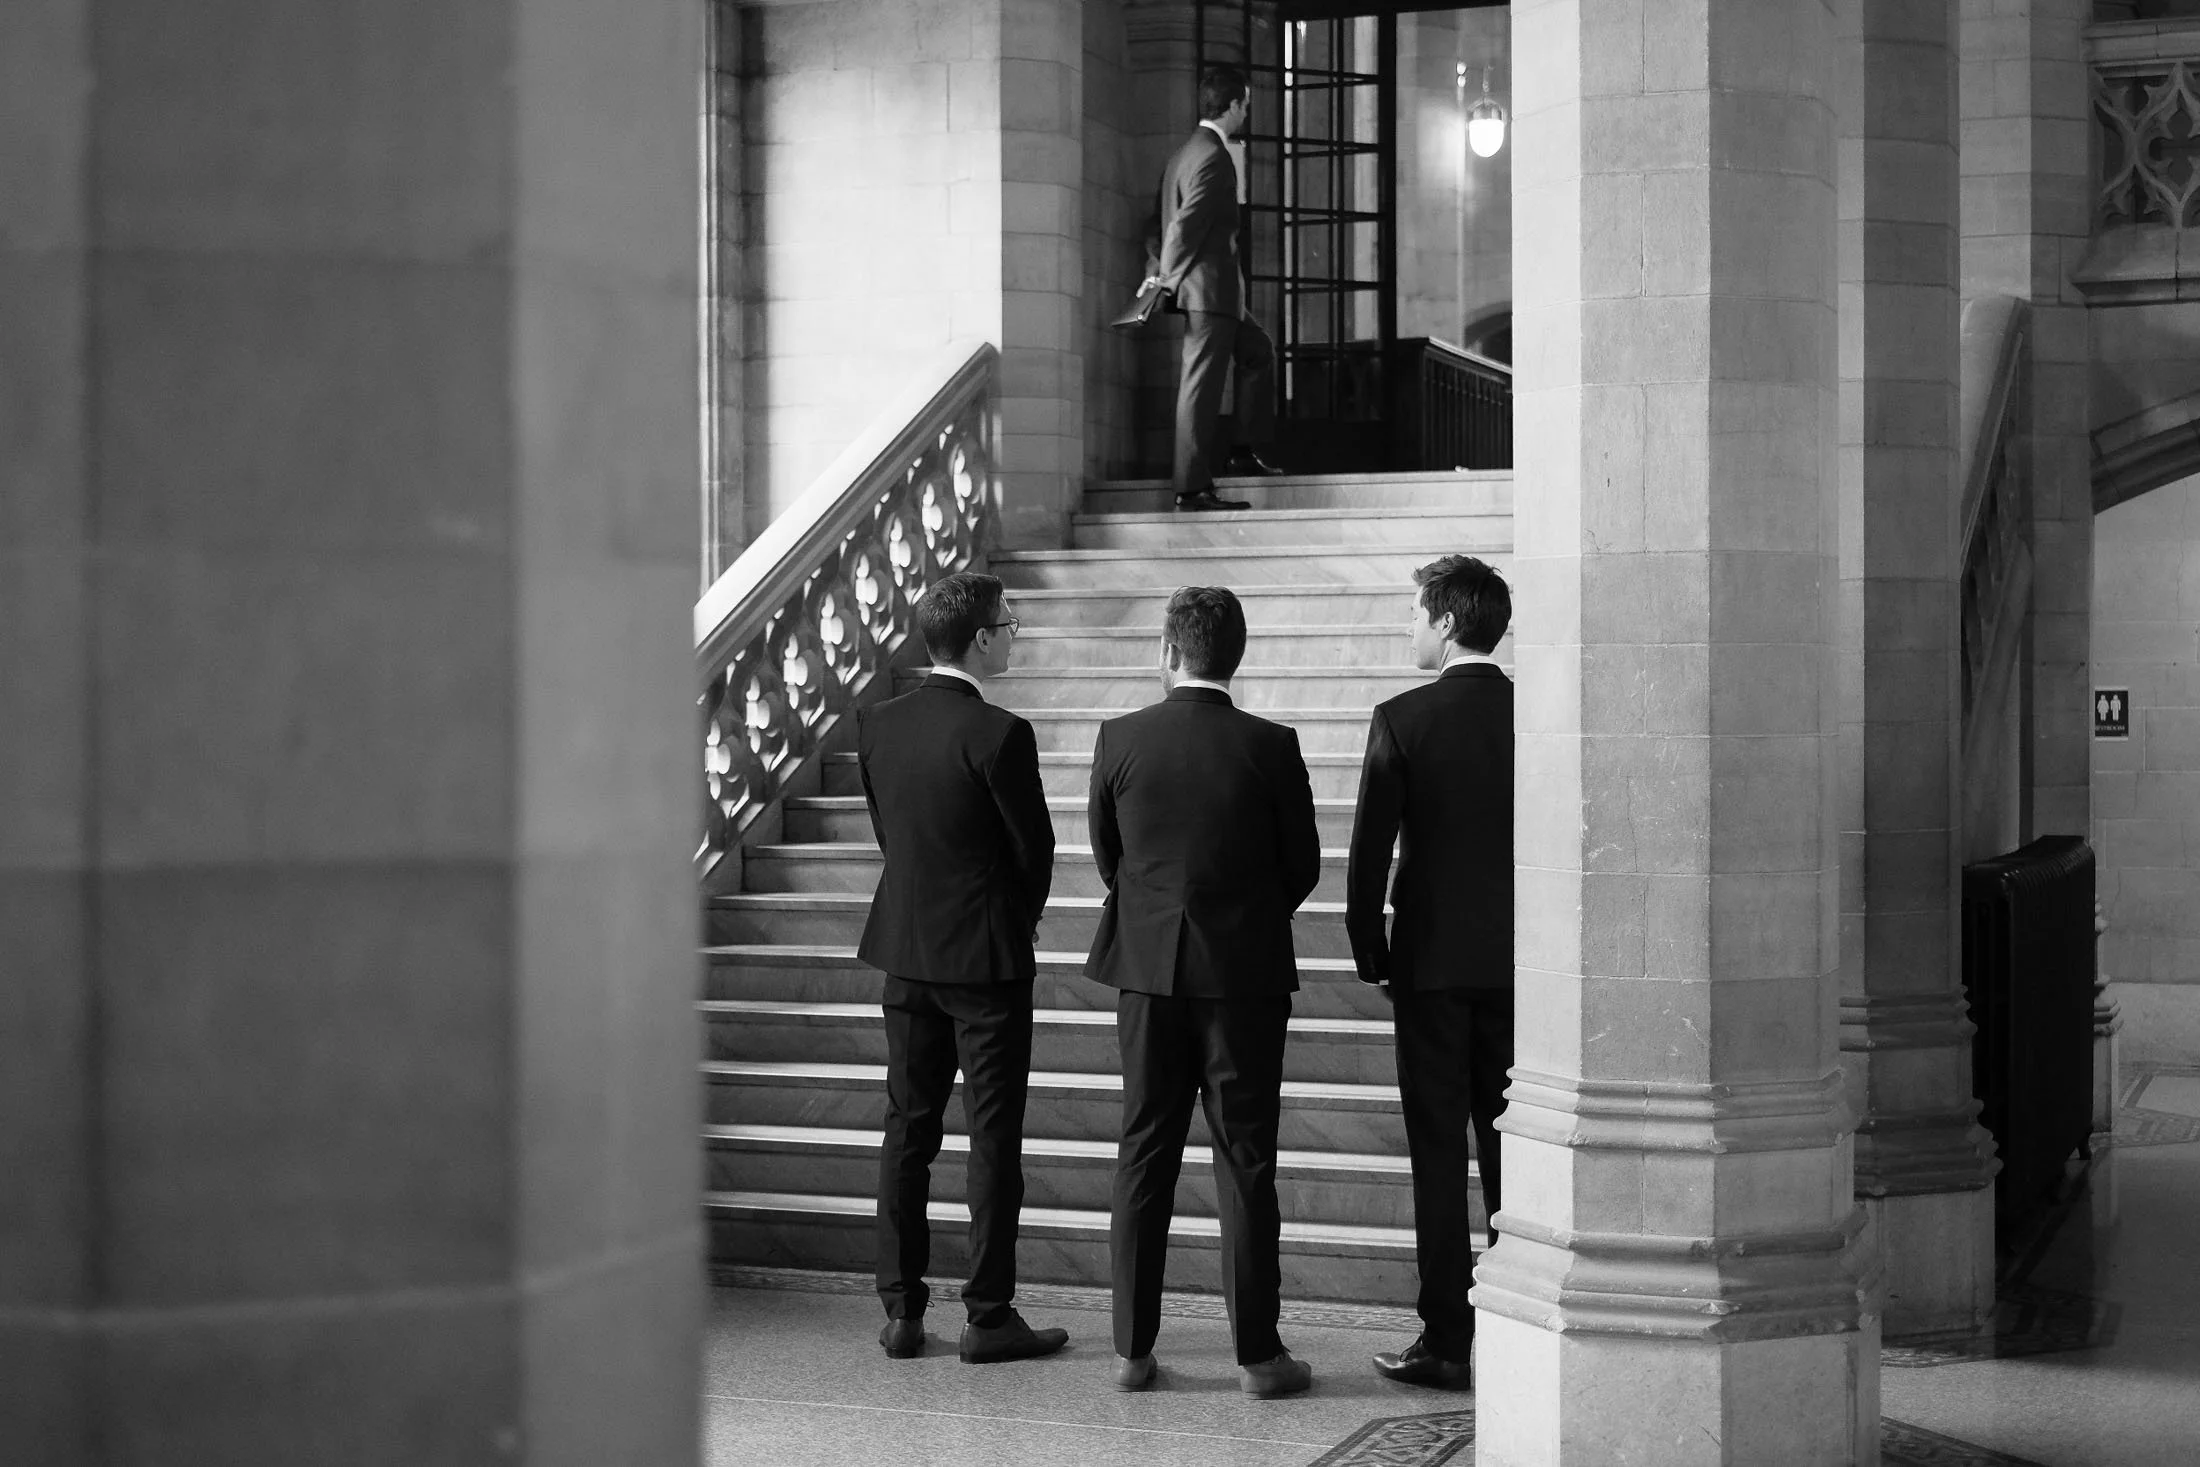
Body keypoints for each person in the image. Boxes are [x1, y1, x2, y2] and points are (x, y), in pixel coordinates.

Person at [1085, 586, 1322, 1396]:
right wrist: (1247, 919)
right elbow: (1304, 867)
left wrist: (1157, 917)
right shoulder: (1272, 744)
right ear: (1237, 654)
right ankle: (1258, 1355)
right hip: (1244, 978)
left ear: (1167, 649)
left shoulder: (1120, 738)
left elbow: (1108, 856)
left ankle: (1129, 1350)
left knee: (1142, 1150)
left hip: (1147, 974)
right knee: (1246, 1159)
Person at [855, 571, 1067, 1365]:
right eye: (1009, 622)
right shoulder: (1001, 733)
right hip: (985, 958)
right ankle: (988, 1313)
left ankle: (902, 1309)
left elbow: (891, 833)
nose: (1014, 632)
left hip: (905, 950)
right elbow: (1033, 852)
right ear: (980, 638)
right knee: (991, 1136)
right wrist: (1013, 918)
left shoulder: (877, 722)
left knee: (907, 1130)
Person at [1344, 554, 1515, 1389]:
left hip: (1433, 965)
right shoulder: (1542, 711)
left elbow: (1370, 848)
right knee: (1512, 1145)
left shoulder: (1403, 718)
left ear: (1447, 623)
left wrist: (1368, 949)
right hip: (1525, 967)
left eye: (1417, 613)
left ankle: (1447, 1338)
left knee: (1438, 1151)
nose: (1410, 626)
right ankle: (1523, 1329)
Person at [1143, 64, 1282, 513]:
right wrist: (1165, 277)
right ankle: (1191, 489)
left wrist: (1157, 268)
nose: (1247, 112)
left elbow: (1156, 224)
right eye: (1246, 104)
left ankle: (1242, 452)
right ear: (1235, 104)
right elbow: (1185, 226)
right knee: (1199, 388)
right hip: (1209, 293)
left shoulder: (1182, 154)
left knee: (1258, 352)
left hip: (1218, 294)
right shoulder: (1212, 156)